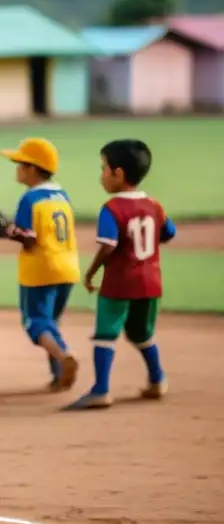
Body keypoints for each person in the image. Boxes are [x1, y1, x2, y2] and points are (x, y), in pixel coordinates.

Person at [67, 139, 175, 410]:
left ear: (119, 174)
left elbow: (109, 245)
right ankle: (158, 379)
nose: (101, 174)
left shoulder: (112, 209)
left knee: (105, 333)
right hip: (151, 281)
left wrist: (91, 272)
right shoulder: (154, 205)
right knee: (141, 333)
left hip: (120, 283)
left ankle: (101, 389)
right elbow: (169, 233)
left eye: (104, 168)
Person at [0, 138, 81, 391]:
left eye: (20, 164)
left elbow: (29, 240)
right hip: (67, 267)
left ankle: (64, 355)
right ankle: (59, 377)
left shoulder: (30, 199)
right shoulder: (62, 195)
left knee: (34, 322)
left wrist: (7, 231)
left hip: (40, 270)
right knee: (50, 323)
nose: (17, 168)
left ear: (33, 169)